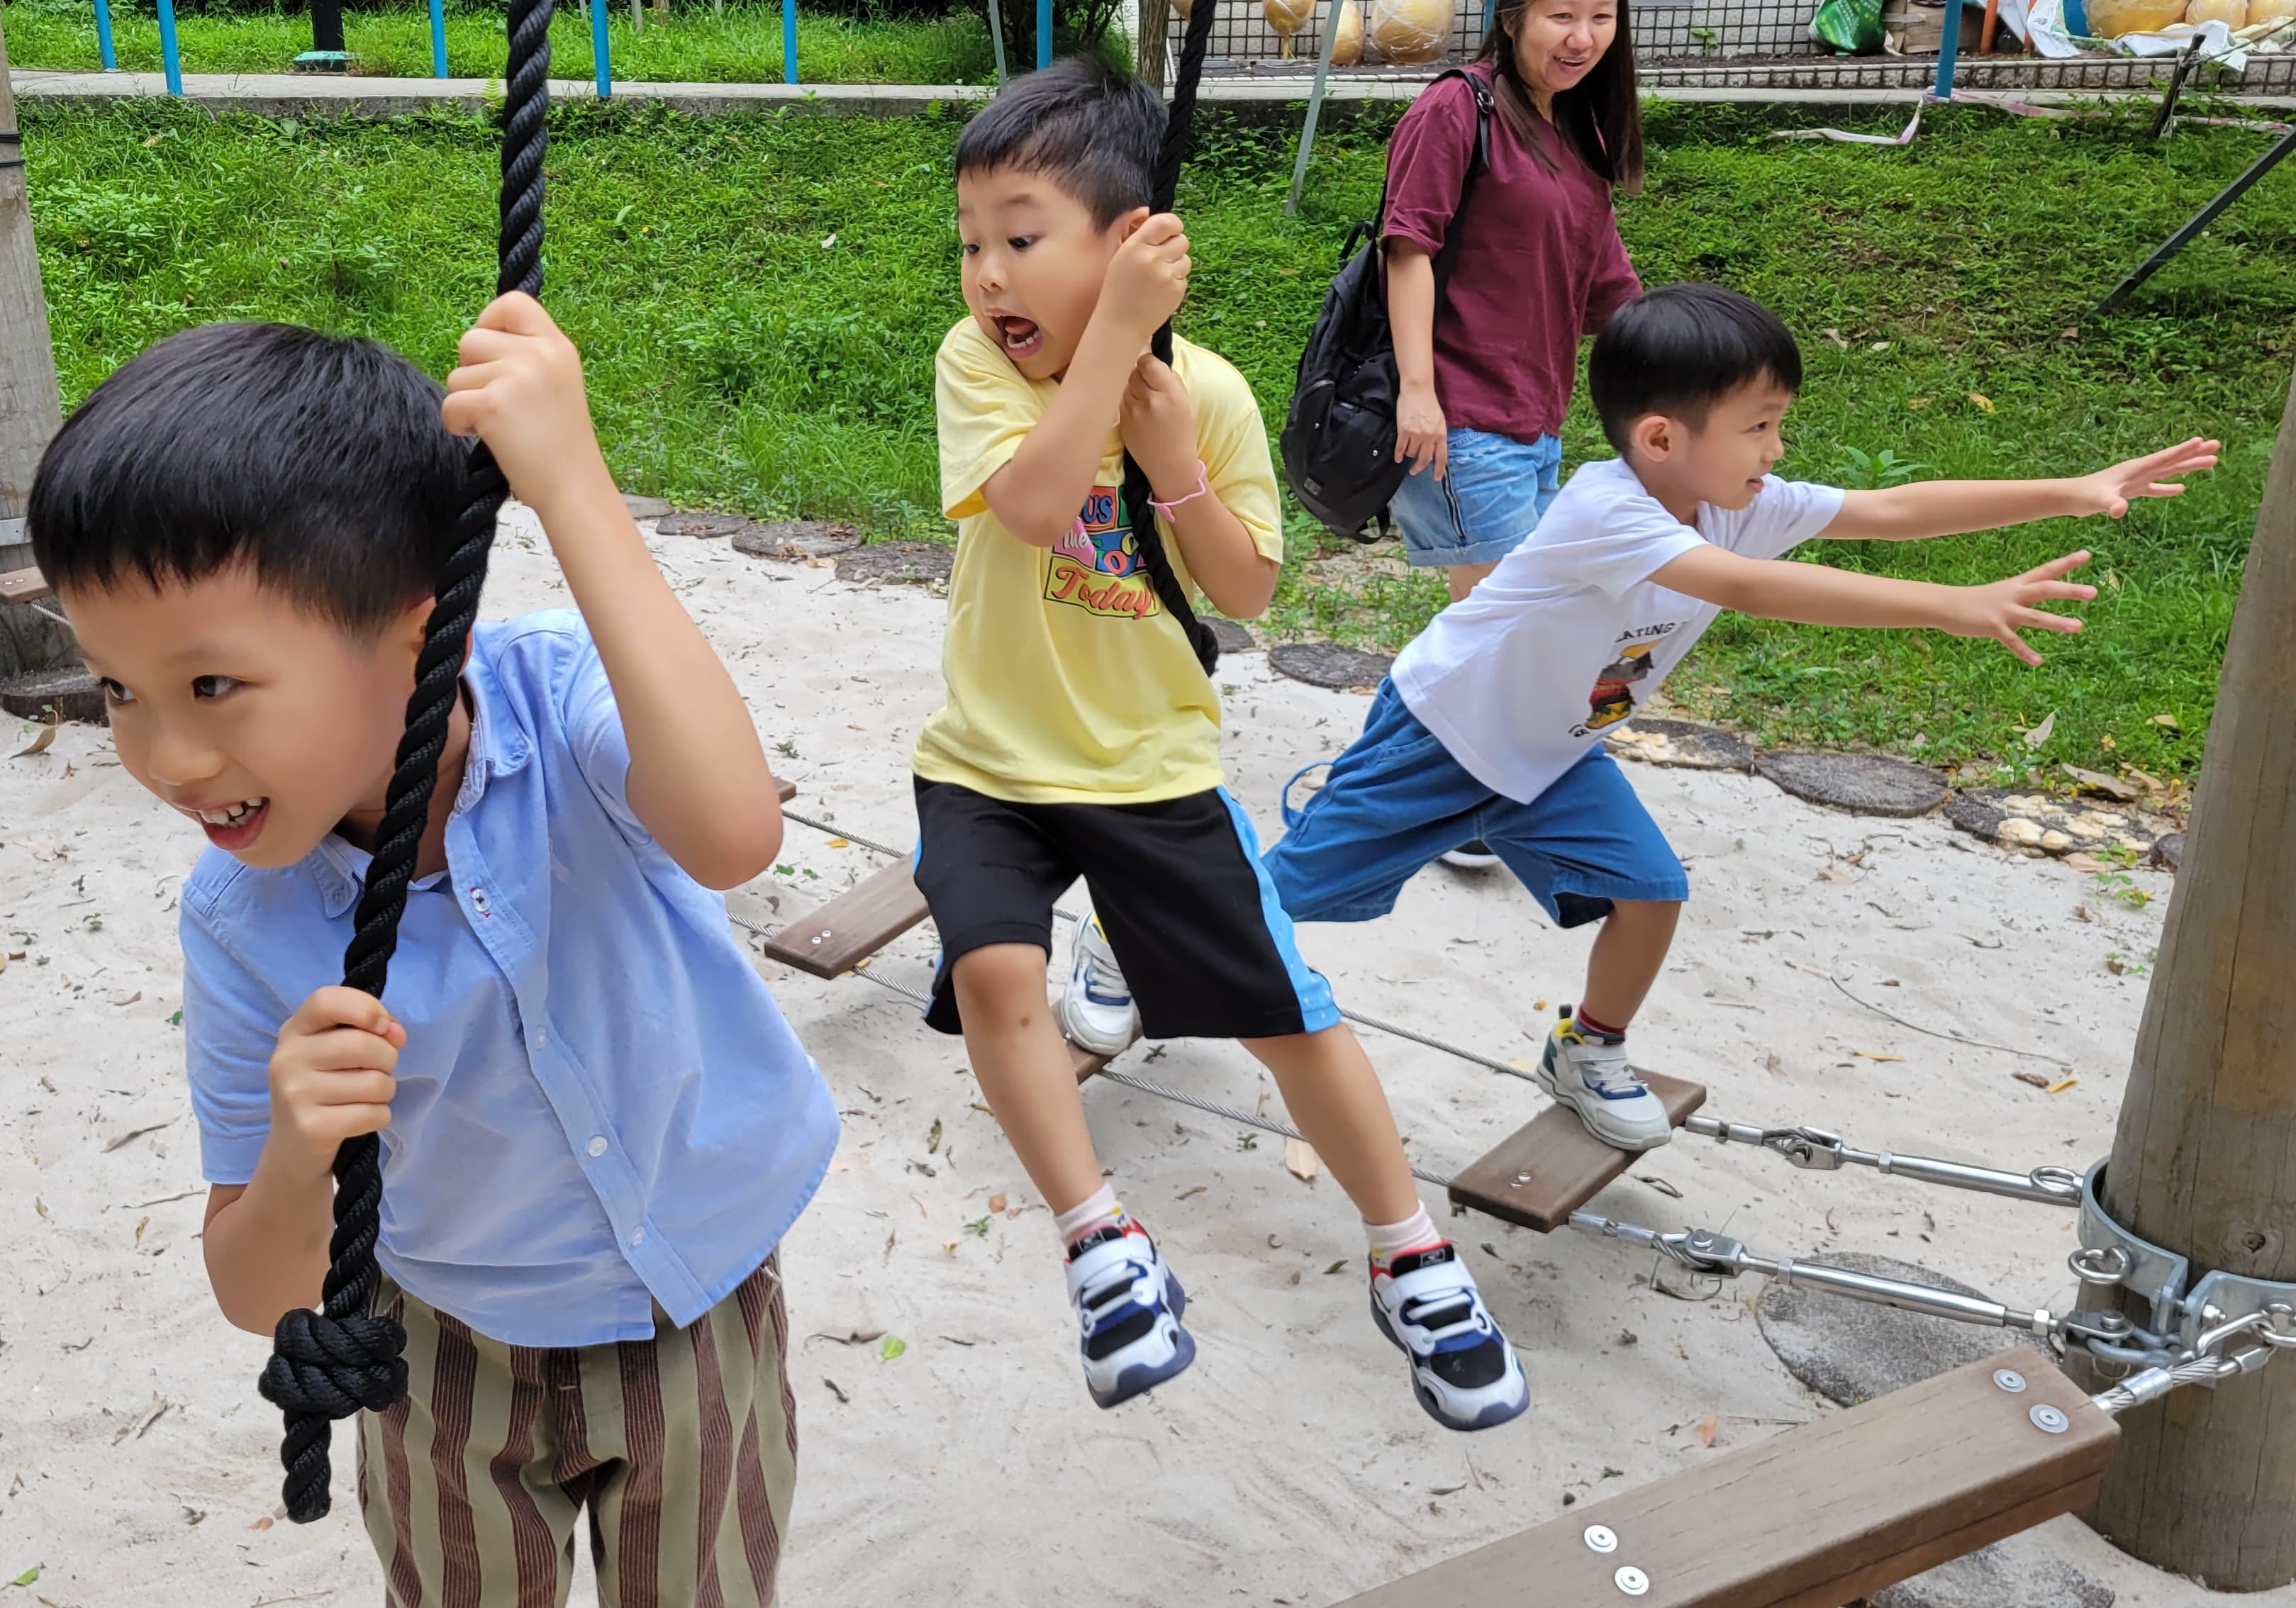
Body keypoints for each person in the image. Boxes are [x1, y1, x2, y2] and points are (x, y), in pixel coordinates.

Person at [26, 298, 835, 1608]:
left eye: (212, 686)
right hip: (446, 1344)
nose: (166, 759)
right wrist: (298, 1154)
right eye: (117, 689)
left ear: (424, 634)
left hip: (699, 1301)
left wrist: (568, 483)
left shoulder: (564, 709)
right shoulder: (245, 923)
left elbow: (737, 831)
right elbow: (254, 1286)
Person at [919, 58, 1529, 1431]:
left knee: (1284, 1016)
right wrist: (1109, 341)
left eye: (1022, 236)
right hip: (990, 759)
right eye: (972, 243)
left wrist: (1172, 449)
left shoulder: (1221, 396)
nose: (988, 276)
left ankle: (1409, 1251)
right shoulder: (977, 364)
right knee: (998, 972)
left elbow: (1247, 591)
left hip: (1151, 769)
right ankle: (1100, 1242)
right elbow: (1026, 505)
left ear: (1132, 236)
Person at [1264, 283, 2219, 1153]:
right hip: (1444, 736)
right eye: (1759, 426)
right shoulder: (1610, 509)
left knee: (1652, 890)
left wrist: (2074, 493)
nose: (1777, 450)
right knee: (1285, 896)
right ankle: (1135, 951)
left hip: (1555, 749)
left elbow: (1887, 510)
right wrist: (1952, 604)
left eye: (1779, 424)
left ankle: (1587, 1048)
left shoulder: (1736, 500)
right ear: (1661, 439)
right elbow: (1751, 590)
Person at [1383, 0, 1645, 867]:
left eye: (1601, 16)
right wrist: (1418, 394)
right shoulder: (1458, 110)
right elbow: (1408, 246)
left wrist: (1692, 368)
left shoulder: (1577, 132)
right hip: (1462, 418)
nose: (1582, 38)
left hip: (1538, 419)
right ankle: (1473, 804)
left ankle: (1413, 772)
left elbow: (1610, 287)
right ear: (1510, 16)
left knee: (1494, 624)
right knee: (1509, 626)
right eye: (1561, 14)